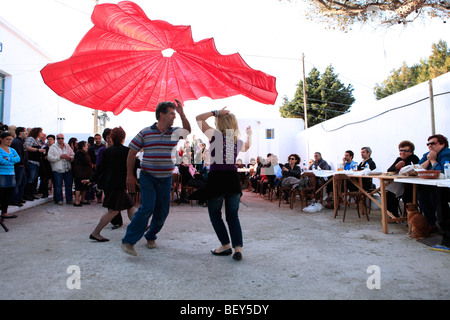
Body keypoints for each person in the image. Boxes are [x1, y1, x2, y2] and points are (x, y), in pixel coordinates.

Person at [121, 99, 191, 256]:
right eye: (171, 113)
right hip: (148, 177)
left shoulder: (174, 132)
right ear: (161, 114)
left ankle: (150, 235)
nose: (174, 116)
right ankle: (128, 241)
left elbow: (187, 131)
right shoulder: (146, 132)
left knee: (163, 212)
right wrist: (130, 175)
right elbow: (131, 153)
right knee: (147, 207)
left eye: (175, 113)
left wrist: (182, 114)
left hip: (165, 178)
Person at [194, 107, 252, 261]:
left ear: (219, 121)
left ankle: (225, 245)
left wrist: (215, 112)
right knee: (233, 215)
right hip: (232, 179)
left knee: (215, 214)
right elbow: (247, 146)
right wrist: (249, 135)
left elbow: (198, 118)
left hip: (217, 178)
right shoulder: (236, 140)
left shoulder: (215, 135)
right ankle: (237, 249)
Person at [89, 127, 135, 242]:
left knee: (130, 205)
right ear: (123, 138)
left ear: (112, 138)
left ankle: (140, 226)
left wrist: (91, 180)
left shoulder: (106, 151)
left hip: (109, 184)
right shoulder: (127, 151)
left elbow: (100, 168)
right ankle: (96, 232)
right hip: (117, 185)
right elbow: (135, 165)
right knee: (113, 211)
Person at [418, 134, 450, 245]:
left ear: (442, 144)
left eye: (433, 143)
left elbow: (443, 172)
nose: (430, 146)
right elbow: (417, 169)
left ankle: (444, 226)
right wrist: (428, 160)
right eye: (428, 144)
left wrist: (433, 161)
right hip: (432, 186)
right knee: (421, 195)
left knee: (434, 197)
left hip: (445, 187)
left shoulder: (446, 153)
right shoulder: (427, 154)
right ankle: (432, 223)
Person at [386, 140, 420, 217]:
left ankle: (412, 218)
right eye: (401, 150)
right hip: (400, 184)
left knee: (407, 195)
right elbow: (389, 170)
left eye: (406, 151)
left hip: (411, 185)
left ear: (411, 152)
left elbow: (414, 170)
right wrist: (396, 166)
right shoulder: (399, 159)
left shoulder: (413, 158)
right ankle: (393, 215)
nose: (403, 152)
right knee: (389, 193)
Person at [48, 134, 74, 205]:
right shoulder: (53, 147)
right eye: (59, 138)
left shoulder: (67, 146)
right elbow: (50, 158)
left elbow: (73, 154)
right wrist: (59, 157)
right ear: (56, 139)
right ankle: (59, 200)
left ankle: (69, 199)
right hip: (57, 169)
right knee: (58, 186)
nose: (60, 139)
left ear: (63, 139)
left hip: (67, 169)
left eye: (62, 138)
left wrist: (70, 158)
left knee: (68, 185)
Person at [0, 131, 21, 219]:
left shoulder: (12, 150)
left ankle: (4, 212)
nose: (9, 141)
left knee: (8, 194)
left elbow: (18, 159)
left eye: (10, 139)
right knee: (1, 194)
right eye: (7, 139)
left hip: (11, 174)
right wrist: (12, 160)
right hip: (1, 174)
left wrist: (8, 158)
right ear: (1, 139)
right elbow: (1, 161)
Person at [24, 127, 46, 201]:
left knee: (33, 179)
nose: (42, 134)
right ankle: (27, 194)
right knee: (30, 179)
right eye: (41, 132)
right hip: (32, 161)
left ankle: (31, 193)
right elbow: (27, 147)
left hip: (37, 162)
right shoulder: (31, 139)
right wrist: (38, 150)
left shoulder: (37, 140)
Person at [10, 127, 28, 206]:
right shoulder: (17, 142)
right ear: (21, 133)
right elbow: (18, 154)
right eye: (25, 133)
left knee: (22, 182)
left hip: (22, 165)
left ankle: (19, 198)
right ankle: (15, 200)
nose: (26, 134)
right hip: (19, 166)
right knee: (18, 183)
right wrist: (21, 163)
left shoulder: (20, 142)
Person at [72, 141, 92, 207]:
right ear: (83, 146)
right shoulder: (79, 153)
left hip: (84, 173)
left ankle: (82, 200)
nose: (87, 147)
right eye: (86, 145)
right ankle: (77, 201)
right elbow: (85, 161)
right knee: (78, 187)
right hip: (80, 174)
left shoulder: (83, 153)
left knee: (84, 187)